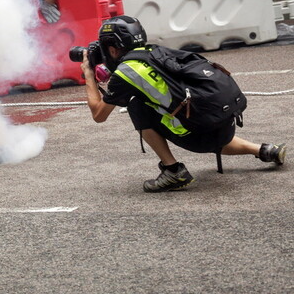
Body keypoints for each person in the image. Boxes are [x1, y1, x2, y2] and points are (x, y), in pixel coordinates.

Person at [80, 15, 286, 192]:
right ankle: (265, 150)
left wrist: (89, 74)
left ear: (113, 49)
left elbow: (99, 115)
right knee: (188, 115)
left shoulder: (127, 73)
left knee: (137, 104)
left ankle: (173, 171)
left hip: (200, 136)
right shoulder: (154, 51)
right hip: (222, 123)